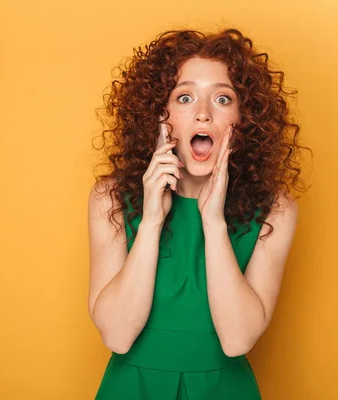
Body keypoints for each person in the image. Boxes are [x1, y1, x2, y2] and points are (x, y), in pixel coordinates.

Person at [87, 28, 310, 399]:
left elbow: (238, 340)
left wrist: (213, 222)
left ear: (244, 120)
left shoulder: (277, 208)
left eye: (222, 99)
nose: (203, 114)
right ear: (161, 115)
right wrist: (152, 222)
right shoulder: (109, 197)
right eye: (185, 97)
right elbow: (117, 335)